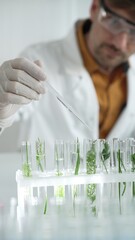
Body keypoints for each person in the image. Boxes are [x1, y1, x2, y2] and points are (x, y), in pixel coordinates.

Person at [1, 0, 135, 165]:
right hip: (47, 188)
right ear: (94, 9)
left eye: (134, 32)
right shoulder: (39, 60)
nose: (120, 43)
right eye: (114, 22)